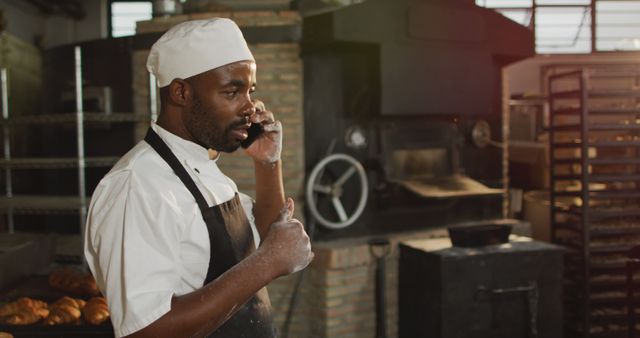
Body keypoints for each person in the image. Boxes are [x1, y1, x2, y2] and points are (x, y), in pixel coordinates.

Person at [84, 18, 314, 338]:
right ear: (181, 92)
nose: (249, 107)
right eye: (232, 91)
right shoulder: (138, 185)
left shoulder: (205, 170)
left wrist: (267, 163)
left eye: (250, 90)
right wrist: (267, 263)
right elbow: (145, 330)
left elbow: (263, 239)